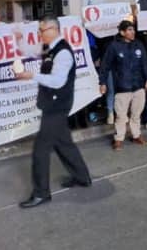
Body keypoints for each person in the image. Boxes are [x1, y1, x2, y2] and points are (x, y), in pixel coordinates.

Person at [15, 17, 92, 208]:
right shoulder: (50, 48)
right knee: (63, 143)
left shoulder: (63, 53)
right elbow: (30, 51)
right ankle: (82, 177)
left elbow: (58, 81)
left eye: (42, 30)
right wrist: (19, 40)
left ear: (54, 29)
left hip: (57, 106)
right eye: (39, 30)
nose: (39, 34)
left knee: (40, 150)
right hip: (53, 104)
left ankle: (41, 193)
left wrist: (32, 76)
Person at [99, 21, 147, 150]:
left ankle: (136, 135)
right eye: (129, 30)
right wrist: (103, 82)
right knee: (121, 116)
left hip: (138, 85)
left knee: (136, 113)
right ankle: (118, 139)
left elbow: (145, 64)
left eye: (133, 30)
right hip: (122, 87)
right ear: (122, 32)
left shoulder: (139, 44)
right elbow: (105, 66)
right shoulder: (114, 46)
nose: (133, 32)